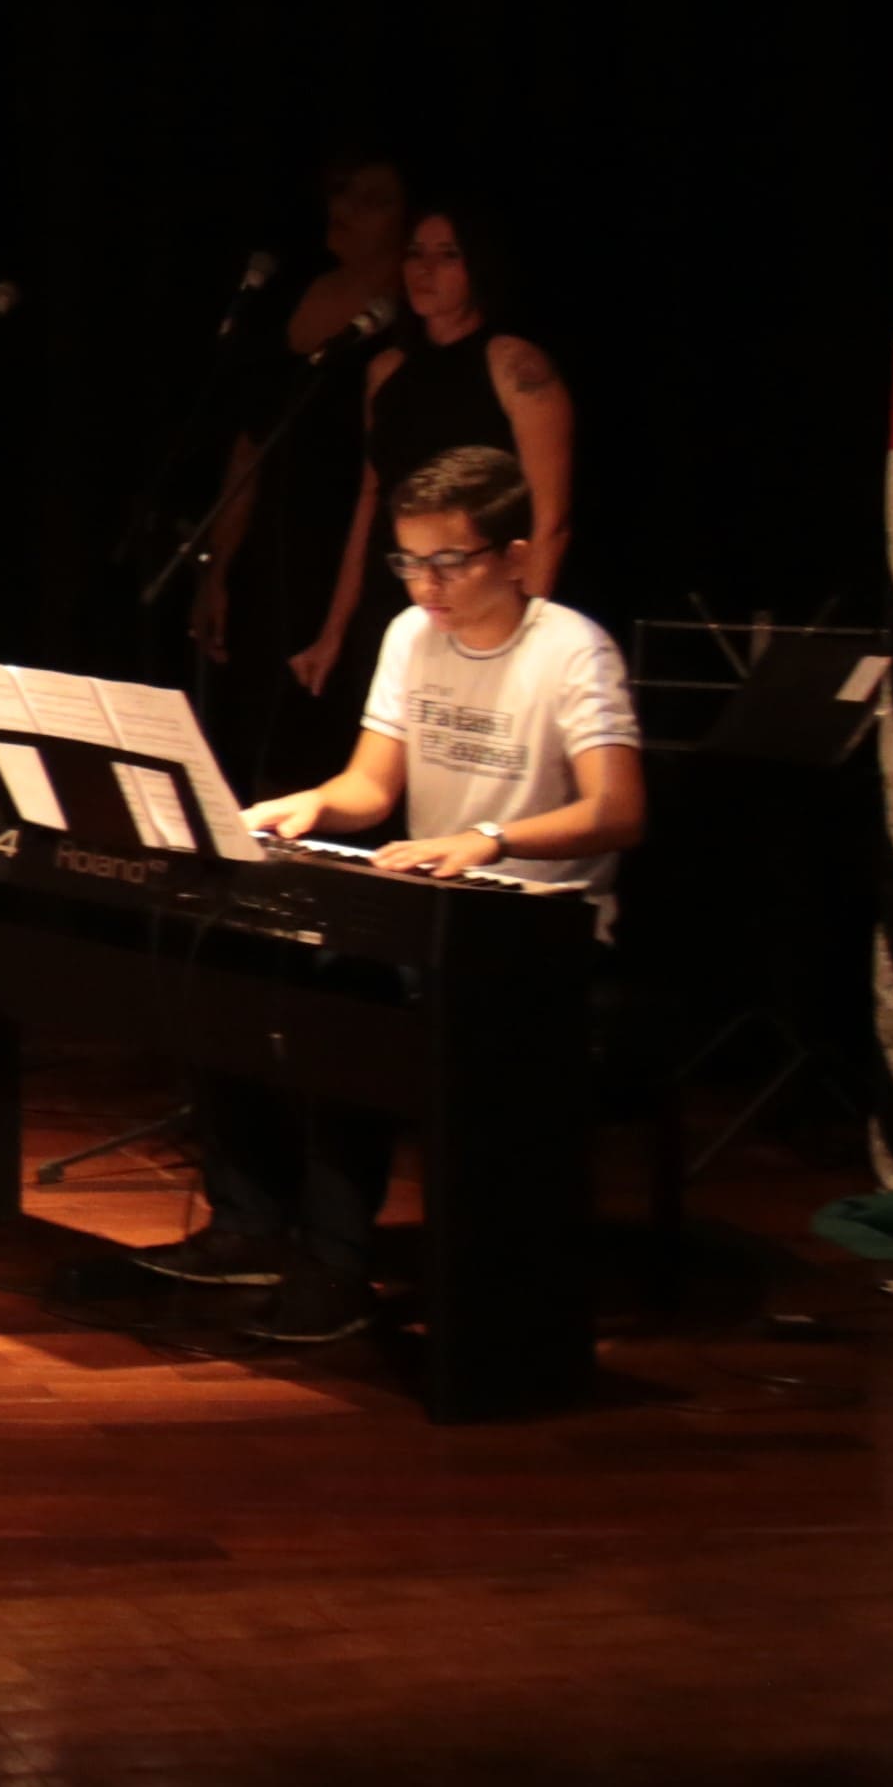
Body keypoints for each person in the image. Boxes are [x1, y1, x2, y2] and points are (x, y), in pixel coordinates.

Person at [183, 441, 646, 1344]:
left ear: (514, 558)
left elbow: (618, 810)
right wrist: (309, 805)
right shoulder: (409, 635)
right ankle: (248, 1223)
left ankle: (336, 1267)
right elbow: (370, 787)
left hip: (538, 927)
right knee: (235, 963)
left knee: (348, 1001)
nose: (425, 585)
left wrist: (489, 839)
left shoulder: (570, 650)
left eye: (449, 561)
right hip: (434, 913)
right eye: (407, 562)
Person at [283, 202, 579, 712]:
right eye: (416, 254)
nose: (425, 269)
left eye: (447, 255)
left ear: (477, 267)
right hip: (396, 591)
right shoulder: (385, 370)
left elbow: (550, 519)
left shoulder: (514, 364)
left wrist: (523, 641)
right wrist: (335, 631)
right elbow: (370, 503)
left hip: (483, 596)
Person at [188, 149, 410, 786]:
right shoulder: (294, 293)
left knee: (318, 735)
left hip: (351, 557)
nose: (346, 209)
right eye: (341, 191)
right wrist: (219, 566)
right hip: (269, 553)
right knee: (242, 732)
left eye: (372, 200)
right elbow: (250, 441)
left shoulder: (407, 318)